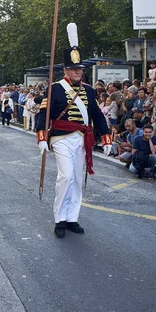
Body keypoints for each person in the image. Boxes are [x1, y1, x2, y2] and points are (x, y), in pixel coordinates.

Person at [36, 40, 112, 238]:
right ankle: (59, 218)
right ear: (66, 70)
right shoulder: (55, 88)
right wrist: (42, 136)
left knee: (77, 179)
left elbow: (97, 115)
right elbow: (43, 114)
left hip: (82, 139)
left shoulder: (89, 90)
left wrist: (106, 137)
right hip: (61, 138)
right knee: (66, 176)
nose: (78, 72)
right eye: (74, 69)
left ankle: (72, 218)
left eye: (80, 69)